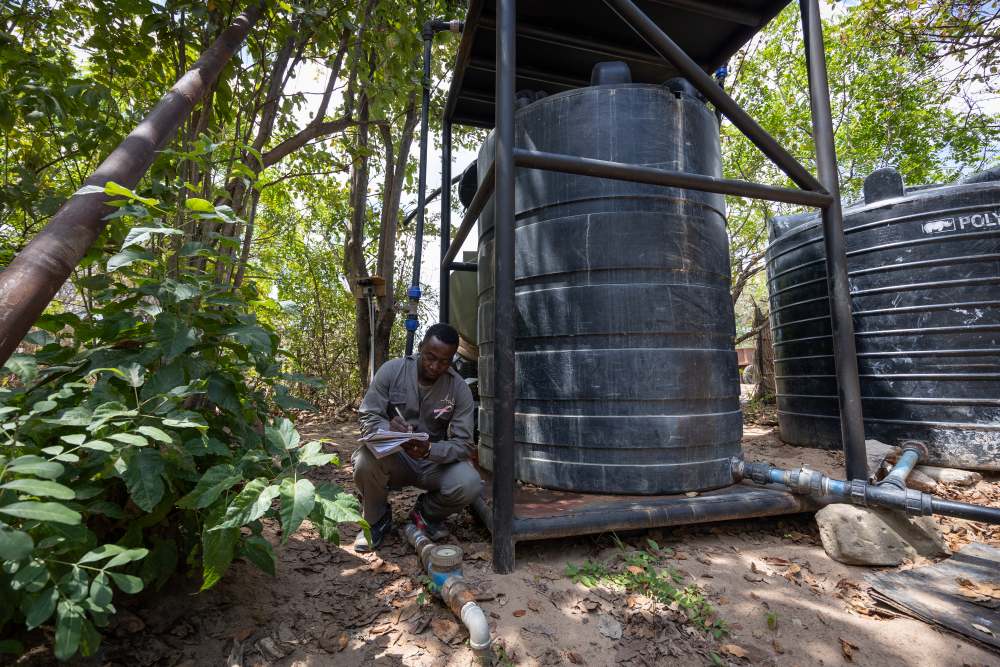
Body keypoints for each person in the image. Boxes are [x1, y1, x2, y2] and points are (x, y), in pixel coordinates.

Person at [353, 323, 481, 552]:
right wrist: (387, 427)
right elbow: (367, 416)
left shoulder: (459, 388)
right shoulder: (391, 371)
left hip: (432, 461)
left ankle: (426, 514)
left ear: (452, 359)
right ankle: (375, 519)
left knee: (469, 482)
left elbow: (464, 444)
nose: (435, 366)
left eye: (444, 361)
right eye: (430, 357)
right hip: (395, 457)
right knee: (364, 460)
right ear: (421, 347)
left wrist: (430, 449)